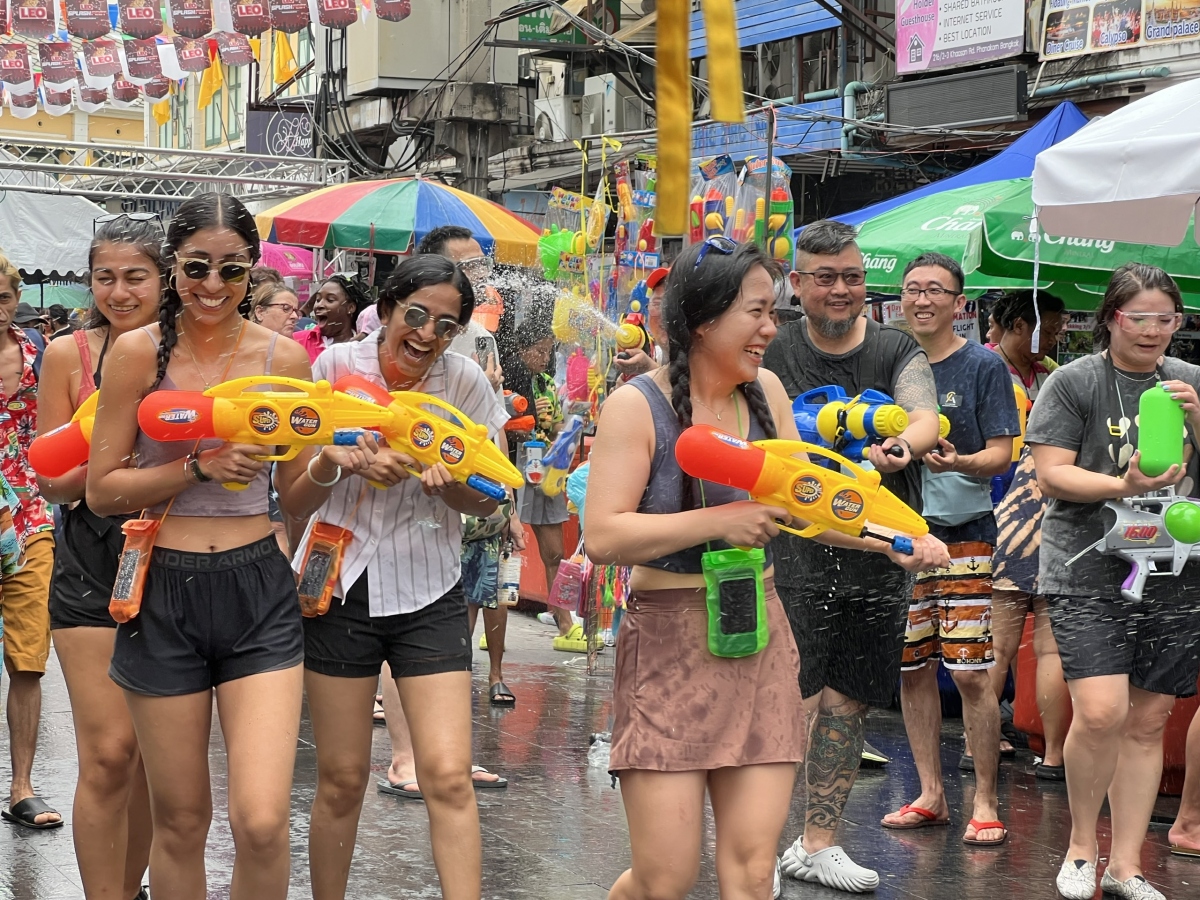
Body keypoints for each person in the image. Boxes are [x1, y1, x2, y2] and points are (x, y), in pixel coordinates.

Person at [585, 237, 946, 900]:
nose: (771, 330)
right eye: (757, 312)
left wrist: (891, 540)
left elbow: (804, 503)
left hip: (761, 640)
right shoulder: (637, 406)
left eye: (773, 313)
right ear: (705, 319)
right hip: (668, 647)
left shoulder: (767, 394)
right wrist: (717, 523)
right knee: (664, 879)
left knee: (753, 874)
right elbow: (603, 534)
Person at [86, 193, 361, 900]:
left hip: (256, 588)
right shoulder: (136, 356)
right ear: (173, 266)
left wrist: (329, 464)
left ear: (253, 270)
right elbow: (101, 490)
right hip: (162, 587)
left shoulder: (285, 357)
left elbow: (295, 494)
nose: (212, 286)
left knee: (263, 820)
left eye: (231, 271)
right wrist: (196, 468)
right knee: (180, 819)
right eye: (196, 268)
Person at [284, 254, 507, 900]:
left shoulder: (464, 384)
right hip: (337, 586)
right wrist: (341, 464)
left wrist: (453, 487)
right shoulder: (331, 370)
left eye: (446, 325)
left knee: (446, 774)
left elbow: (488, 495)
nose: (427, 335)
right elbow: (295, 497)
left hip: (428, 591)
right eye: (416, 315)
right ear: (385, 311)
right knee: (343, 777)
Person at [764, 220, 941, 892]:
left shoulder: (895, 347)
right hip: (795, 556)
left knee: (847, 707)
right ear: (799, 284)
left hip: (881, 560)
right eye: (827, 278)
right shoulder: (777, 355)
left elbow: (920, 411)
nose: (842, 290)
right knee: (789, 703)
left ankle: (817, 843)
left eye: (854, 278)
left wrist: (906, 445)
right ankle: (761, 845)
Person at [1028, 263, 1200, 900]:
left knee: (1149, 720)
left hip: (1177, 568)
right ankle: (1080, 845)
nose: (1154, 330)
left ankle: (1127, 863)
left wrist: (1198, 416)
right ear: (1109, 319)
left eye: (1167, 319)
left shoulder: (1190, 382)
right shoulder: (1076, 381)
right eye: (1140, 318)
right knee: (1101, 712)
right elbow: (1053, 474)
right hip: (1088, 566)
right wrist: (1122, 486)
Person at [37, 216, 166, 898]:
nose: (119, 291)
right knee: (109, 752)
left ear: (164, 279)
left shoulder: (189, 354)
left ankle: (132, 884)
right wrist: (110, 450)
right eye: (105, 277)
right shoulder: (68, 355)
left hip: (171, 560)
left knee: (148, 756)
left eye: (135, 277)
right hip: (90, 558)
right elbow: (50, 478)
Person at [881, 253, 1018, 847]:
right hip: (898, 534)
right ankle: (931, 794)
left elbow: (1003, 454)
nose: (922, 299)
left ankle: (984, 800)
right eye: (912, 289)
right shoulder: (888, 358)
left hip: (964, 535)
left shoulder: (983, 367)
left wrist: (959, 459)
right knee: (911, 668)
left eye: (936, 290)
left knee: (969, 671)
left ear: (960, 304)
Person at [986, 290, 1072, 780]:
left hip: (1017, 520)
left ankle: (1004, 742)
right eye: (1049, 327)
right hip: (1041, 518)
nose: (1055, 336)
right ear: (1019, 325)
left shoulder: (1052, 375)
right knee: (1044, 648)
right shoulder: (994, 369)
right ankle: (1050, 753)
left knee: (1006, 646)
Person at [0, 257, 61, 831]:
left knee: (28, 657)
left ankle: (22, 786)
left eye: (0, 297)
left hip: (28, 516)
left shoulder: (41, 353)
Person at [506, 317, 577, 647]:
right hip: (512, 464)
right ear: (522, 350)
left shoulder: (548, 383)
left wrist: (565, 433)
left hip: (545, 467)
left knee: (554, 551)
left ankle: (565, 622)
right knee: (501, 550)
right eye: (539, 351)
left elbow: (559, 427)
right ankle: (493, 625)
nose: (545, 359)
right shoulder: (507, 379)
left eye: (549, 352)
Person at [293, 274, 371, 363]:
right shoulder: (296, 342)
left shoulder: (366, 346)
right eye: (318, 300)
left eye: (330, 300)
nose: (319, 305)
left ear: (350, 308)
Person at [611, 265, 669, 381]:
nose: (664, 314)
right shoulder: (658, 355)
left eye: (672, 304)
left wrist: (649, 369)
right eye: (657, 304)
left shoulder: (703, 357)